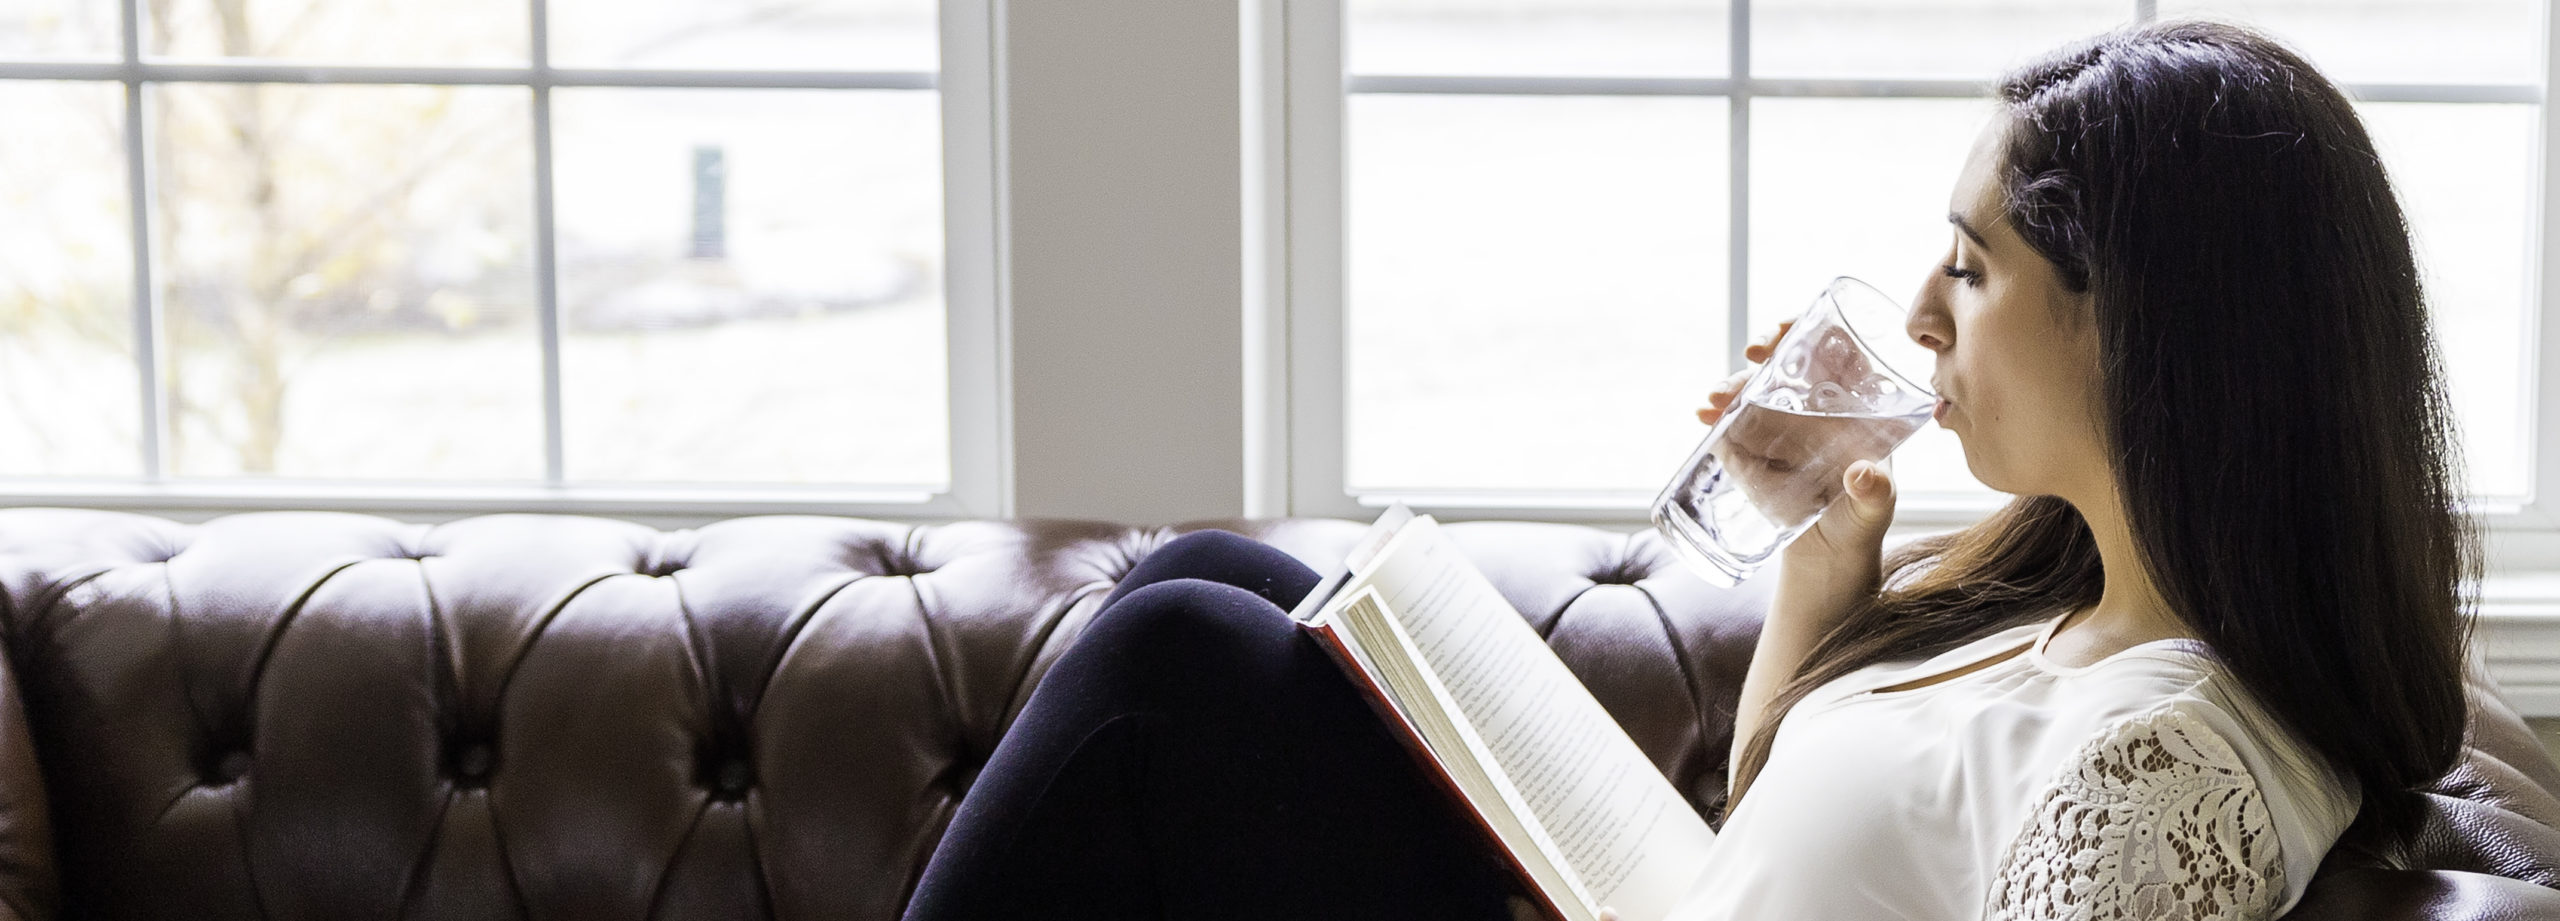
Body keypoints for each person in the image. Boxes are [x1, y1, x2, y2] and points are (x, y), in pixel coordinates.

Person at [900, 17, 2473, 921]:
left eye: (1972, 269)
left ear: (2147, 333)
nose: (1920, 311)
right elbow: (1788, 866)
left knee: (1169, 657)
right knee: (1219, 582)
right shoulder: (2066, 601)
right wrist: (1823, 567)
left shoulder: (2166, 758)